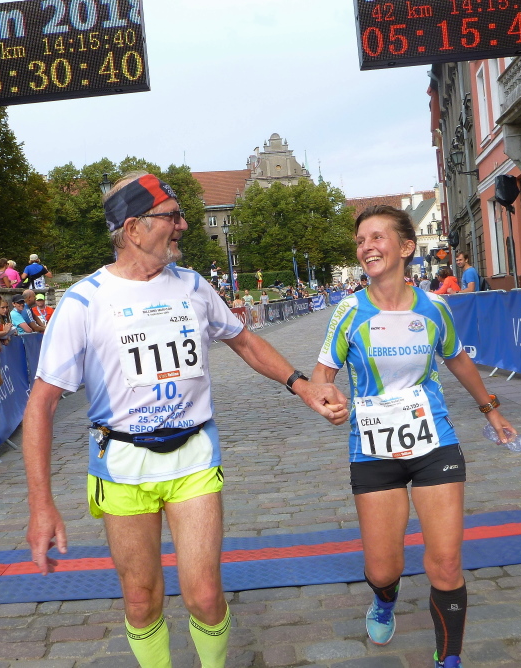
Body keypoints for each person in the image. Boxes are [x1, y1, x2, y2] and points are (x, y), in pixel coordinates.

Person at [22, 171, 347, 668]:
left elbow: (244, 341)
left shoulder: (193, 286)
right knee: (140, 599)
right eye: (172, 216)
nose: (184, 225)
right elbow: (41, 404)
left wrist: (303, 386)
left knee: (205, 595)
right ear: (133, 228)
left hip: (193, 454)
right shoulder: (84, 301)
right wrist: (41, 504)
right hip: (122, 463)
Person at [313, 205, 518, 666]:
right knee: (383, 568)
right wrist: (327, 398)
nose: (366, 247)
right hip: (373, 449)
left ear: (406, 247)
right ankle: (384, 599)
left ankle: (449, 658)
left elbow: (457, 358)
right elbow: (323, 374)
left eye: (377, 237)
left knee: (446, 562)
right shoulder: (349, 311)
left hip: (434, 441)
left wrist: (492, 411)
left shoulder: (434, 307)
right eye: (360, 241)